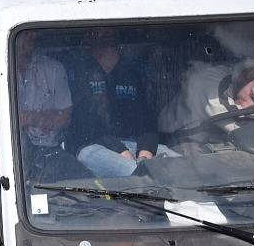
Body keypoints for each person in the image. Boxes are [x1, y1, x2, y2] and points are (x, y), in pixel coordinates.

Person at [66, 30, 178, 177]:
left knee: (184, 166)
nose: (105, 42)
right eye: (96, 36)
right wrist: (120, 150)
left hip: (133, 144)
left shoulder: (134, 71)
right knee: (140, 174)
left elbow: (147, 119)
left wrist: (146, 151)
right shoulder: (79, 70)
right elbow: (82, 126)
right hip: (91, 147)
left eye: (110, 38)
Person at [16, 31, 92, 183]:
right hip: (8, 151)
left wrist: (28, 118)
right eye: (24, 35)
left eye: (31, 34)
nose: (30, 38)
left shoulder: (54, 69)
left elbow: (64, 117)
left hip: (49, 152)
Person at [158, 58, 254, 137]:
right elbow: (250, 135)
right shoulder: (208, 85)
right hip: (172, 141)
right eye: (253, 97)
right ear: (250, 74)